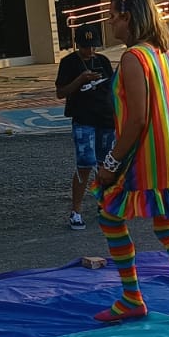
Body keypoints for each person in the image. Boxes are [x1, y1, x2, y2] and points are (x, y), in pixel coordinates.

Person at [94, 0, 169, 324]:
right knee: (166, 226)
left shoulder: (133, 57)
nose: (110, 25)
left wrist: (111, 163)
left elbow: (138, 118)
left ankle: (132, 296)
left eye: (113, 17)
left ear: (128, 17)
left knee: (108, 212)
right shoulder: (160, 53)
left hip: (146, 157)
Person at [55, 24, 116, 230]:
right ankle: (76, 210)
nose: (90, 51)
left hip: (106, 118)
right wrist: (80, 79)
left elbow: (113, 88)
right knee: (84, 163)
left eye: (93, 46)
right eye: (85, 47)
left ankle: (103, 204)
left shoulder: (103, 61)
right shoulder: (69, 63)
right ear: (77, 45)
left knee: (104, 164)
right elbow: (61, 92)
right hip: (83, 118)